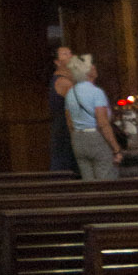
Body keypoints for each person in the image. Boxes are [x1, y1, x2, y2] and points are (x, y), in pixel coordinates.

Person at [65, 54, 123, 180]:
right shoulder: (96, 93)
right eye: (92, 65)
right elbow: (103, 123)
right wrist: (116, 149)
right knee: (106, 180)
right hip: (96, 139)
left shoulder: (70, 93)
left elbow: (69, 123)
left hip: (78, 140)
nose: (95, 67)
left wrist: (76, 139)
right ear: (88, 71)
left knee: (88, 182)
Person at [50, 44, 80, 176]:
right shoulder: (63, 82)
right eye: (65, 54)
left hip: (64, 126)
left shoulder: (69, 80)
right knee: (65, 165)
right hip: (66, 127)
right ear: (57, 62)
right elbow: (74, 109)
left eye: (70, 53)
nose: (71, 56)